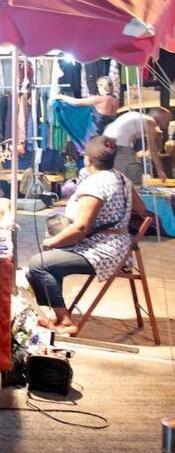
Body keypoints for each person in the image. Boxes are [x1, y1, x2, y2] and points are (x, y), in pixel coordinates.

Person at [26, 136, 146, 335]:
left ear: (88, 159)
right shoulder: (120, 178)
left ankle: (65, 321)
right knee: (40, 267)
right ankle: (55, 313)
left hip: (103, 251)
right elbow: (141, 208)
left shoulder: (96, 184)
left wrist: (52, 242)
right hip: (119, 247)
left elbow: (81, 228)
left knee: (39, 264)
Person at [102, 107, 171, 184]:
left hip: (106, 143)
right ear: (161, 116)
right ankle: (136, 192)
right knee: (134, 173)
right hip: (119, 146)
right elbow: (153, 150)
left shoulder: (138, 117)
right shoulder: (150, 121)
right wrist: (160, 171)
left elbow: (149, 151)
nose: (167, 122)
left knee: (118, 175)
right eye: (167, 119)